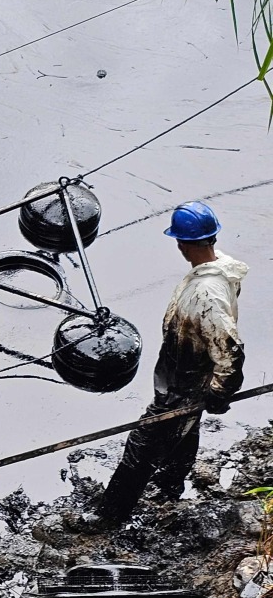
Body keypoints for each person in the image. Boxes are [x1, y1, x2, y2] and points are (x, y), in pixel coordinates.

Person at [95, 201, 247, 526]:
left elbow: (230, 351)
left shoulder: (207, 293)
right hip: (184, 374)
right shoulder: (219, 270)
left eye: (178, 240)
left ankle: (108, 517)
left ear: (184, 243)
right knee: (183, 432)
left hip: (184, 383)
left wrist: (220, 392)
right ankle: (168, 492)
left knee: (141, 445)